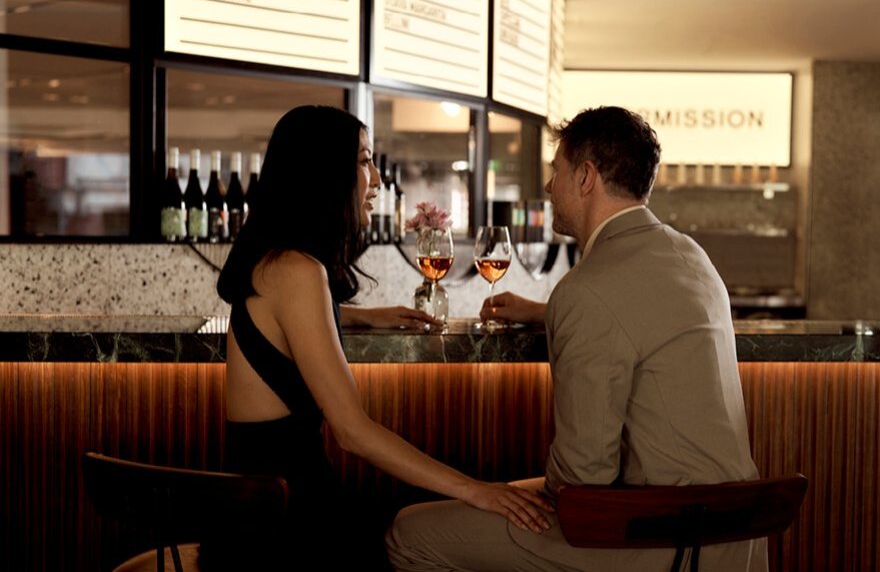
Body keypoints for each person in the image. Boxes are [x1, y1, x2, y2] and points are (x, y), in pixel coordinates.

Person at [386, 106, 766, 572]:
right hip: (736, 538)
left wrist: (496, 494)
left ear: (586, 177)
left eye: (556, 171)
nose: (549, 187)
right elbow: (640, 317)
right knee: (504, 495)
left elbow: (583, 479)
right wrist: (546, 312)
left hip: (658, 538)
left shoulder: (588, 290)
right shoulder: (691, 255)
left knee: (410, 533)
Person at [204, 105, 552, 570]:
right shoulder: (298, 271)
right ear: (324, 172)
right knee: (427, 533)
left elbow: (279, 323)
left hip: (249, 517)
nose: (377, 180)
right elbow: (352, 432)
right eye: (365, 161)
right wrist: (475, 489)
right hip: (286, 531)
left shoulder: (274, 261)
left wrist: (360, 317)